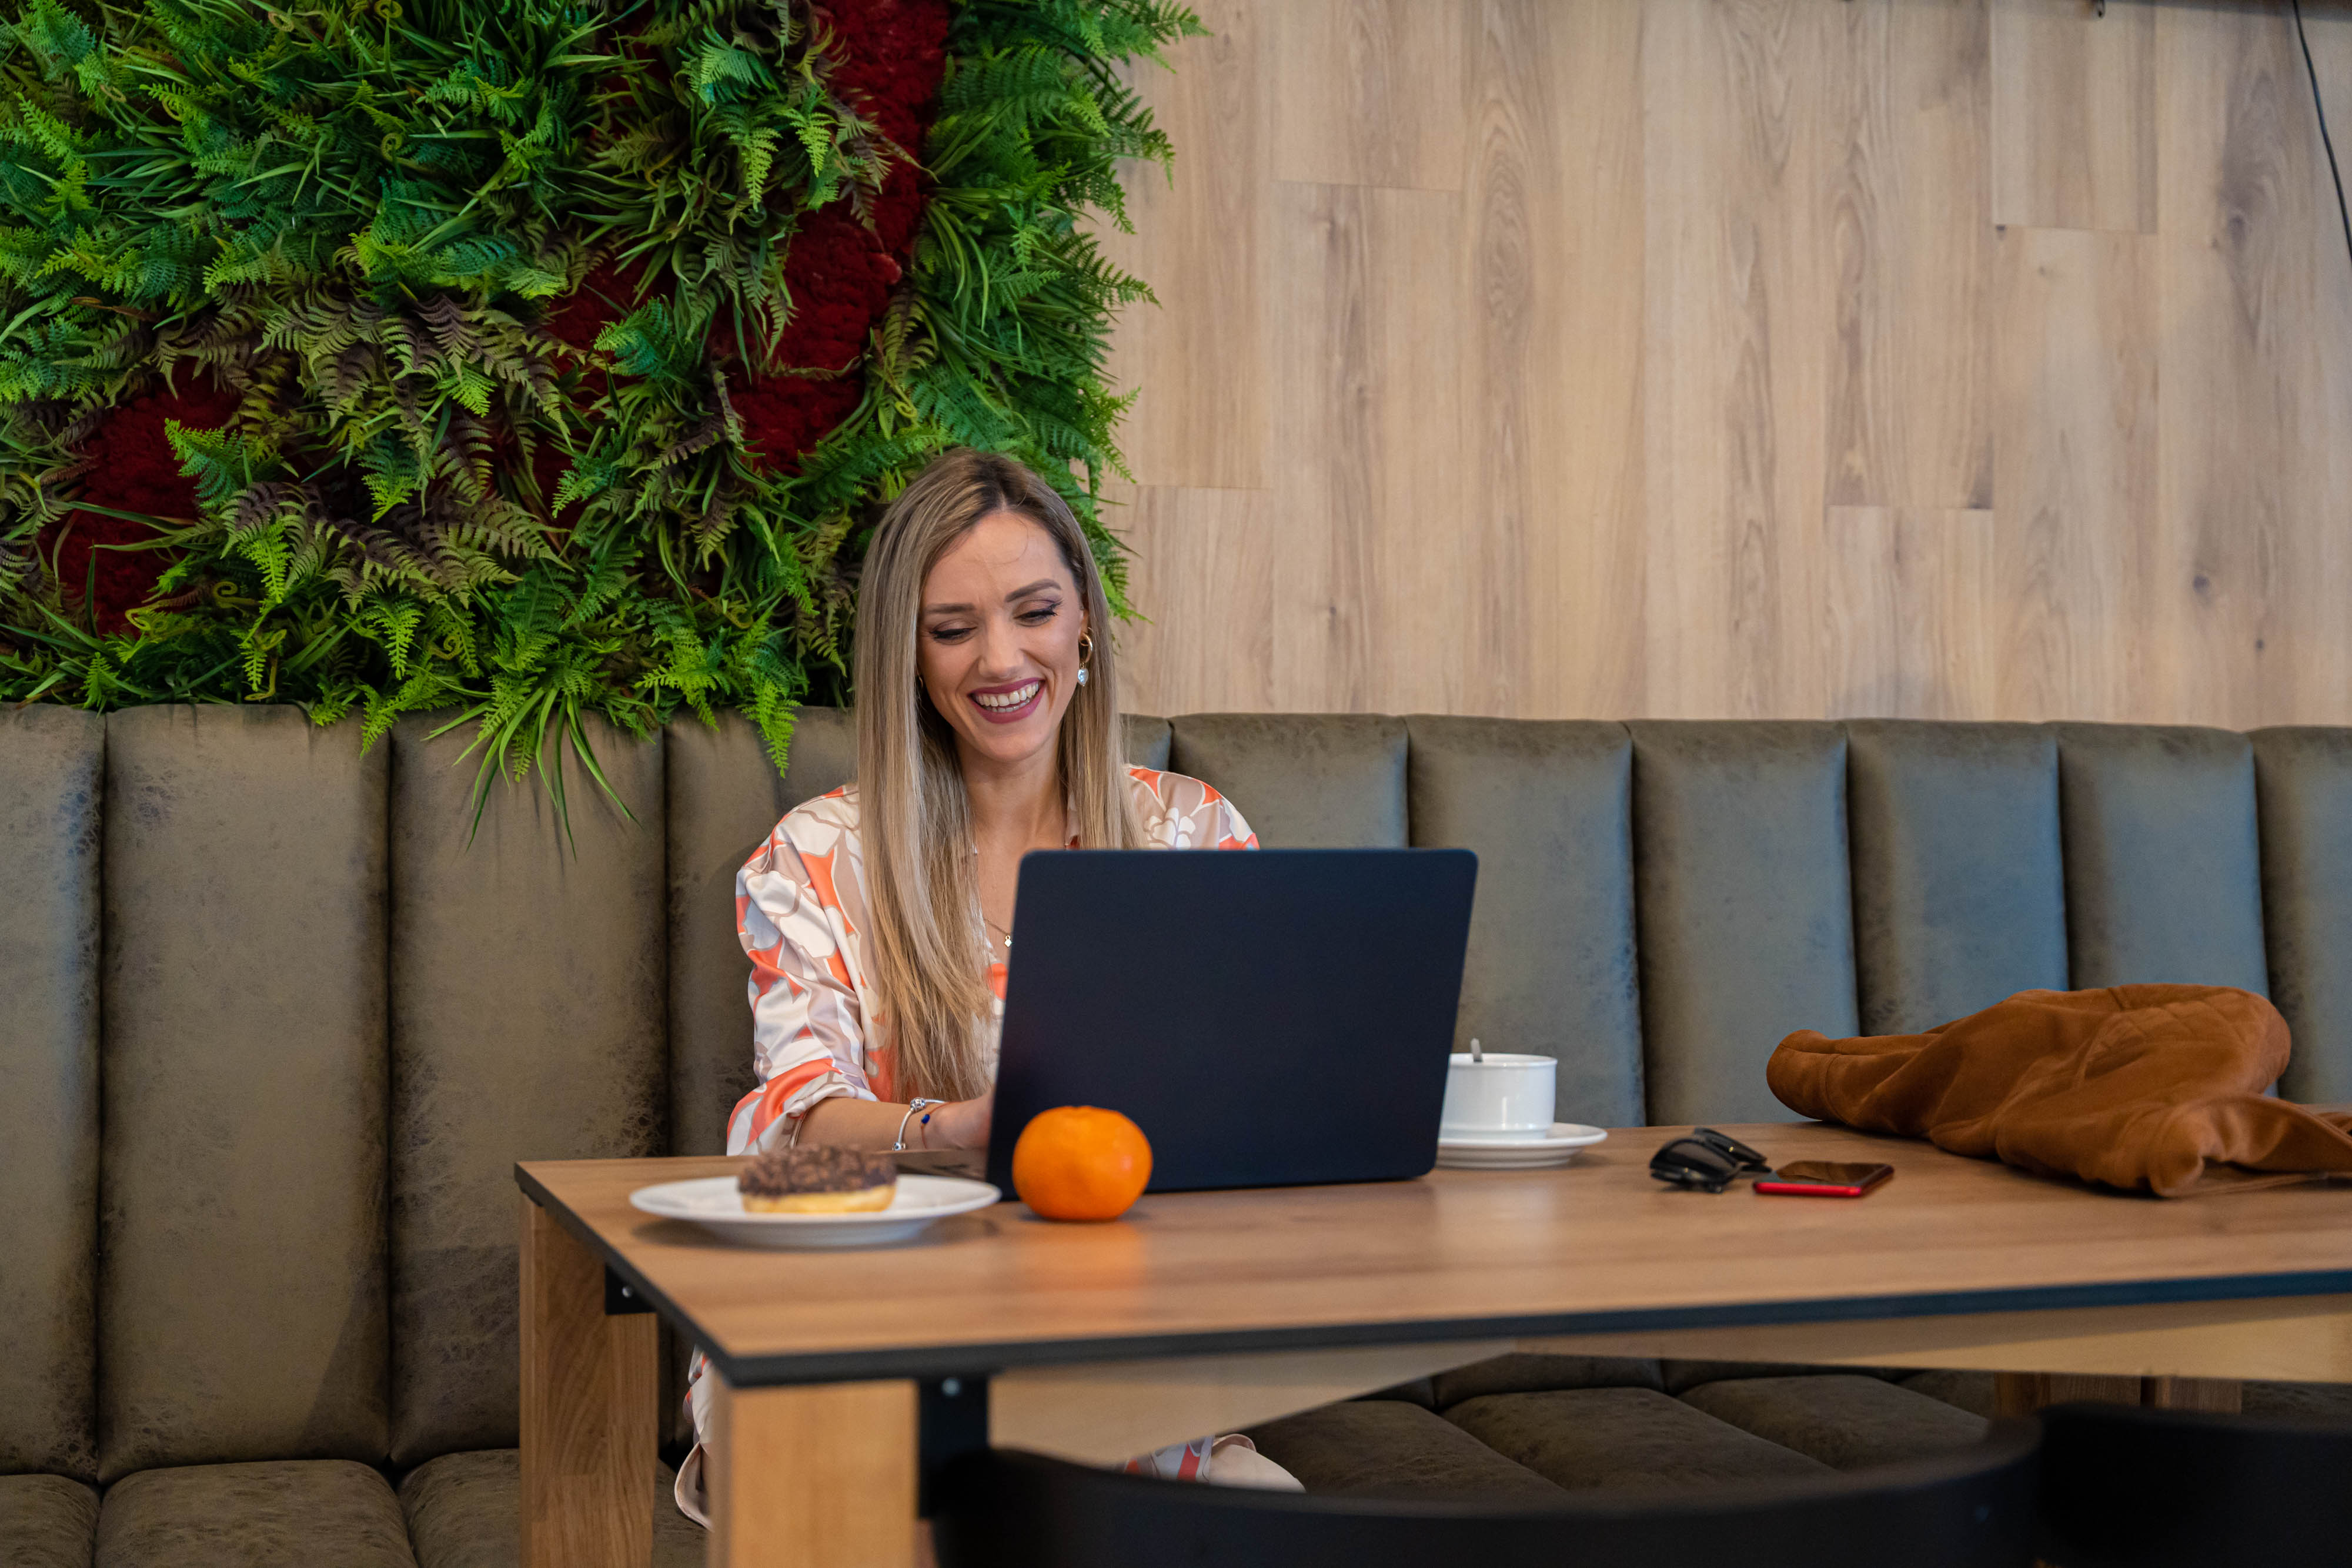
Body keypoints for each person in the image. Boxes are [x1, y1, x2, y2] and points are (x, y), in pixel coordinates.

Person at [674, 449, 1297, 1524]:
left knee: (1255, 1509)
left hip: (1110, 1317)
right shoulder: (815, 857)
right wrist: (956, 1127)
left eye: (1035, 612)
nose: (1001, 658)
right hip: (859, 1311)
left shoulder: (1192, 834)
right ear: (909, 658)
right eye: (953, 629)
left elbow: (1258, 1105)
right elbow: (796, 1122)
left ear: (1084, 622)